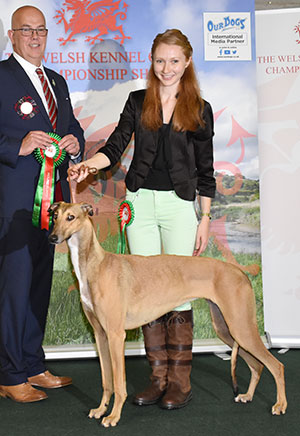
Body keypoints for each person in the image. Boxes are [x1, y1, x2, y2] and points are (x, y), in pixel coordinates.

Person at [69, 29, 215, 410]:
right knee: (144, 294)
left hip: (181, 206)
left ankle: (179, 383)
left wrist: (204, 218)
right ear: (151, 62)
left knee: (178, 294)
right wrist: (89, 164)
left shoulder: (200, 108)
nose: (166, 68)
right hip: (140, 206)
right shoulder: (138, 101)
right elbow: (115, 147)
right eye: (159, 60)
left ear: (186, 63)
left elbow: (206, 169)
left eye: (174, 61)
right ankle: (157, 380)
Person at [0, 6, 85, 403]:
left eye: (41, 31)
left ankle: (34, 364)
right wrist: (17, 146)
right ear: (12, 35)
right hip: (14, 203)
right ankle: (10, 372)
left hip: (53, 208)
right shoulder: (0, 77)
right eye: (26, 30)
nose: (35, 37)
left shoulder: (57, 80)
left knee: (38, 286)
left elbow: (71, 127)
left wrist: (74, 143)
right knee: (13, 288)